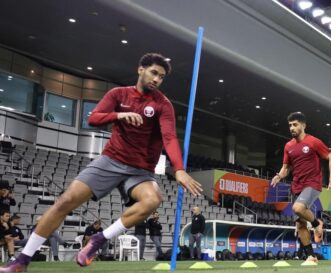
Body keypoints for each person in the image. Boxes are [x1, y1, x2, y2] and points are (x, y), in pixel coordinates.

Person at [1, 53, 203, 272]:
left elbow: (170, 137)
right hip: (111, 160)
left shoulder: (163, 104)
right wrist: (119, 116)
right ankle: (22, 260)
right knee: (64, 201)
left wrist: (180, 170)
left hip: (141, 170)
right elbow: (93, 118)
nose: (156, 80)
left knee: (153, 199)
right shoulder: (118, 94)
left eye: (161, 77)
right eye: (154, 73)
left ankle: (99, 239)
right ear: (140, 69)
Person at [271, 112, 331, 264]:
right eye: (290, 125)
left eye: (295, 124)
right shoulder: (288, 146)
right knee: (300, 224)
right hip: (296, 186)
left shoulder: (313, 142)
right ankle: (311, 256)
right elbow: (286, 167)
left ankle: (317, 224)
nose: (292, 127)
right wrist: (279, 176)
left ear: (303, 125)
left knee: (297, 208)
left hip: (313, 184)